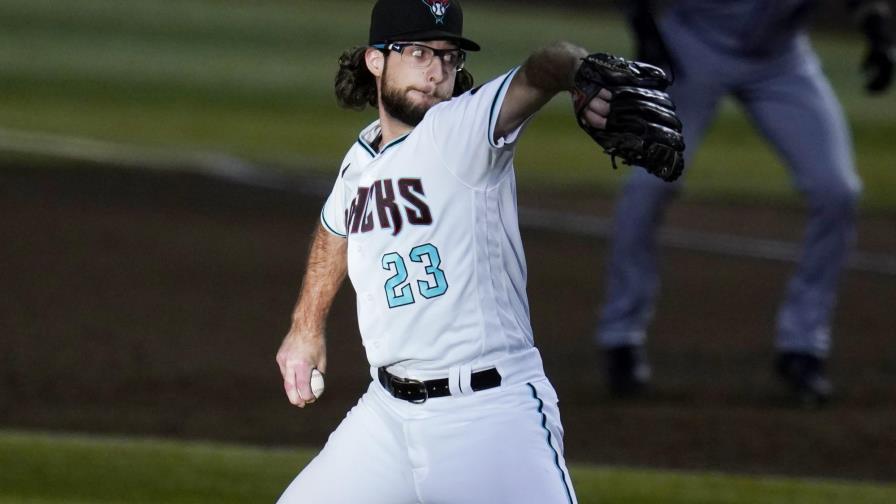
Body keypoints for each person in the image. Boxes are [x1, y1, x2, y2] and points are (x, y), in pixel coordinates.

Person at [273, 1, 620, 502]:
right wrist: (305, 327)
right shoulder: (362, 157)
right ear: (376, 60)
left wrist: (579, 72)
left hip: (489, 417)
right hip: (386, 417)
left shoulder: (462, 129)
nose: (436, 72)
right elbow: (335, 228)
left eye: (448, 56)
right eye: (418, 53)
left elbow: (543, 66)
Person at [597, 0, 893, 403]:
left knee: (836, 190)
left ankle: (803, 347)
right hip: (691, 48)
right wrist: (644, 27)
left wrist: (876, 29)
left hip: (781, 60)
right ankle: (621, 338)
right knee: (650, 184)